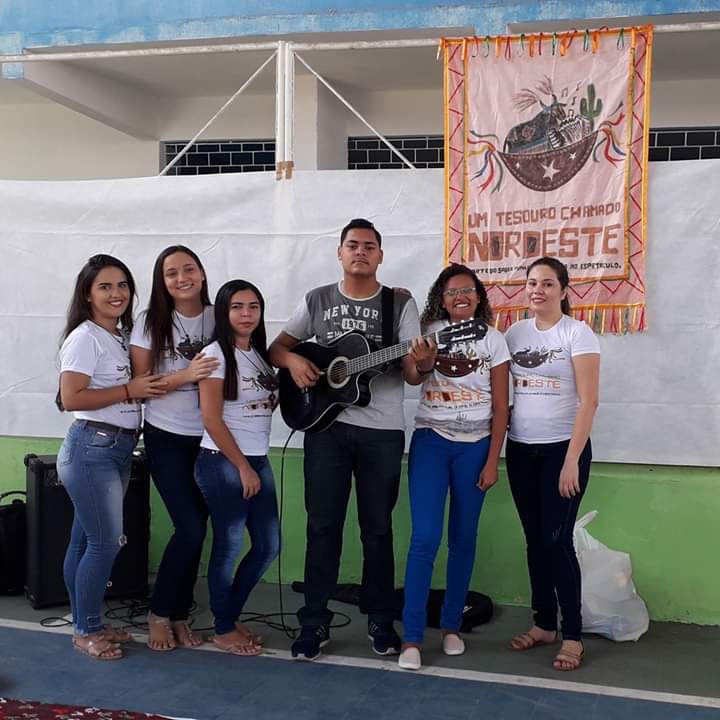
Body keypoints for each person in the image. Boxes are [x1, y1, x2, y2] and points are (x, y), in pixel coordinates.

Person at [268, 218, 434, 661]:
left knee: (377, 529)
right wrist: (295, 364)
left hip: (382, 433)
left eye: (369, 246)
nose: (361, 252)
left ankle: (380, 619)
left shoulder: (399, 302)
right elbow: (277, 349)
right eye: (353, 245)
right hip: (325, 429)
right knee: (323, 527)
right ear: (340, 253)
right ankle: (313, 622)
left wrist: (424, 362)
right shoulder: (317, 299)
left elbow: (412, 373)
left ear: (381, 255)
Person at [398, 263, 510, 671]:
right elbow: (412, 378)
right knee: (425, 538)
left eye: (467, 290)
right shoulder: (426, 332)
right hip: (431, 441)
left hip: (475, 449)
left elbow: (501, 407)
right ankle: (411, 637)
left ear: (478, 296)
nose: (459, 297)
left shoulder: (494, 340)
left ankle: (451, 627)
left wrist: (493, 461)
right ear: (441, 300)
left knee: (463, 539)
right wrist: (425, 361)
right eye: (451, 292)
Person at [56, 254, 167, 660]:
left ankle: (86, 621)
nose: (116, 293)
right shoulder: (85, 337)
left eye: (122, 285)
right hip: (92, 449)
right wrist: (128, 391)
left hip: (115, 448)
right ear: (88, 294)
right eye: (104, 286)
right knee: (105, 544)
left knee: (84, 541)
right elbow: (71, 398)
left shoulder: (119, 335)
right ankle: (86, 630)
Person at [504, 256, 600, 672]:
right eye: (531, 283)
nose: (537, 290)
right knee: (534, 541)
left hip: (563, 452)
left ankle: (573, 635)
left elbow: (589, 401)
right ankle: (544, 623)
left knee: (557, 542)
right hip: (521, 451)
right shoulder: (514, 333)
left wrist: (571, 460)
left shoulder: (577, 333)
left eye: (547, 283)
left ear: (563, 290)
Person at [130, 246, 218, 651]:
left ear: (202, 273)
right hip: (166, 435)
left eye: (189, 269)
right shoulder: (150, 321)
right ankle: (160, 613)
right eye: (171, 273)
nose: (182, 278)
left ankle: (180, 615)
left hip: (211, 437)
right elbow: (140, 385)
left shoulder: (218, 315)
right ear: (162, 282)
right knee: (191, 526)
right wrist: (188, 374)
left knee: (198, 529)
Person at [195, 279, 281, 655]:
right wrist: (243, 467)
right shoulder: (215, 354)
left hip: (256, 457)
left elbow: (262, 404)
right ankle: (224, 627)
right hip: (223, 461)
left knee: (268, 545)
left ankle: (228, 617)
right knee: (229, 546)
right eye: (237, 307)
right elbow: (212, 419)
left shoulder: (259, 354)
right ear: (223, 312)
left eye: (253, 307)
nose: (246, 314)